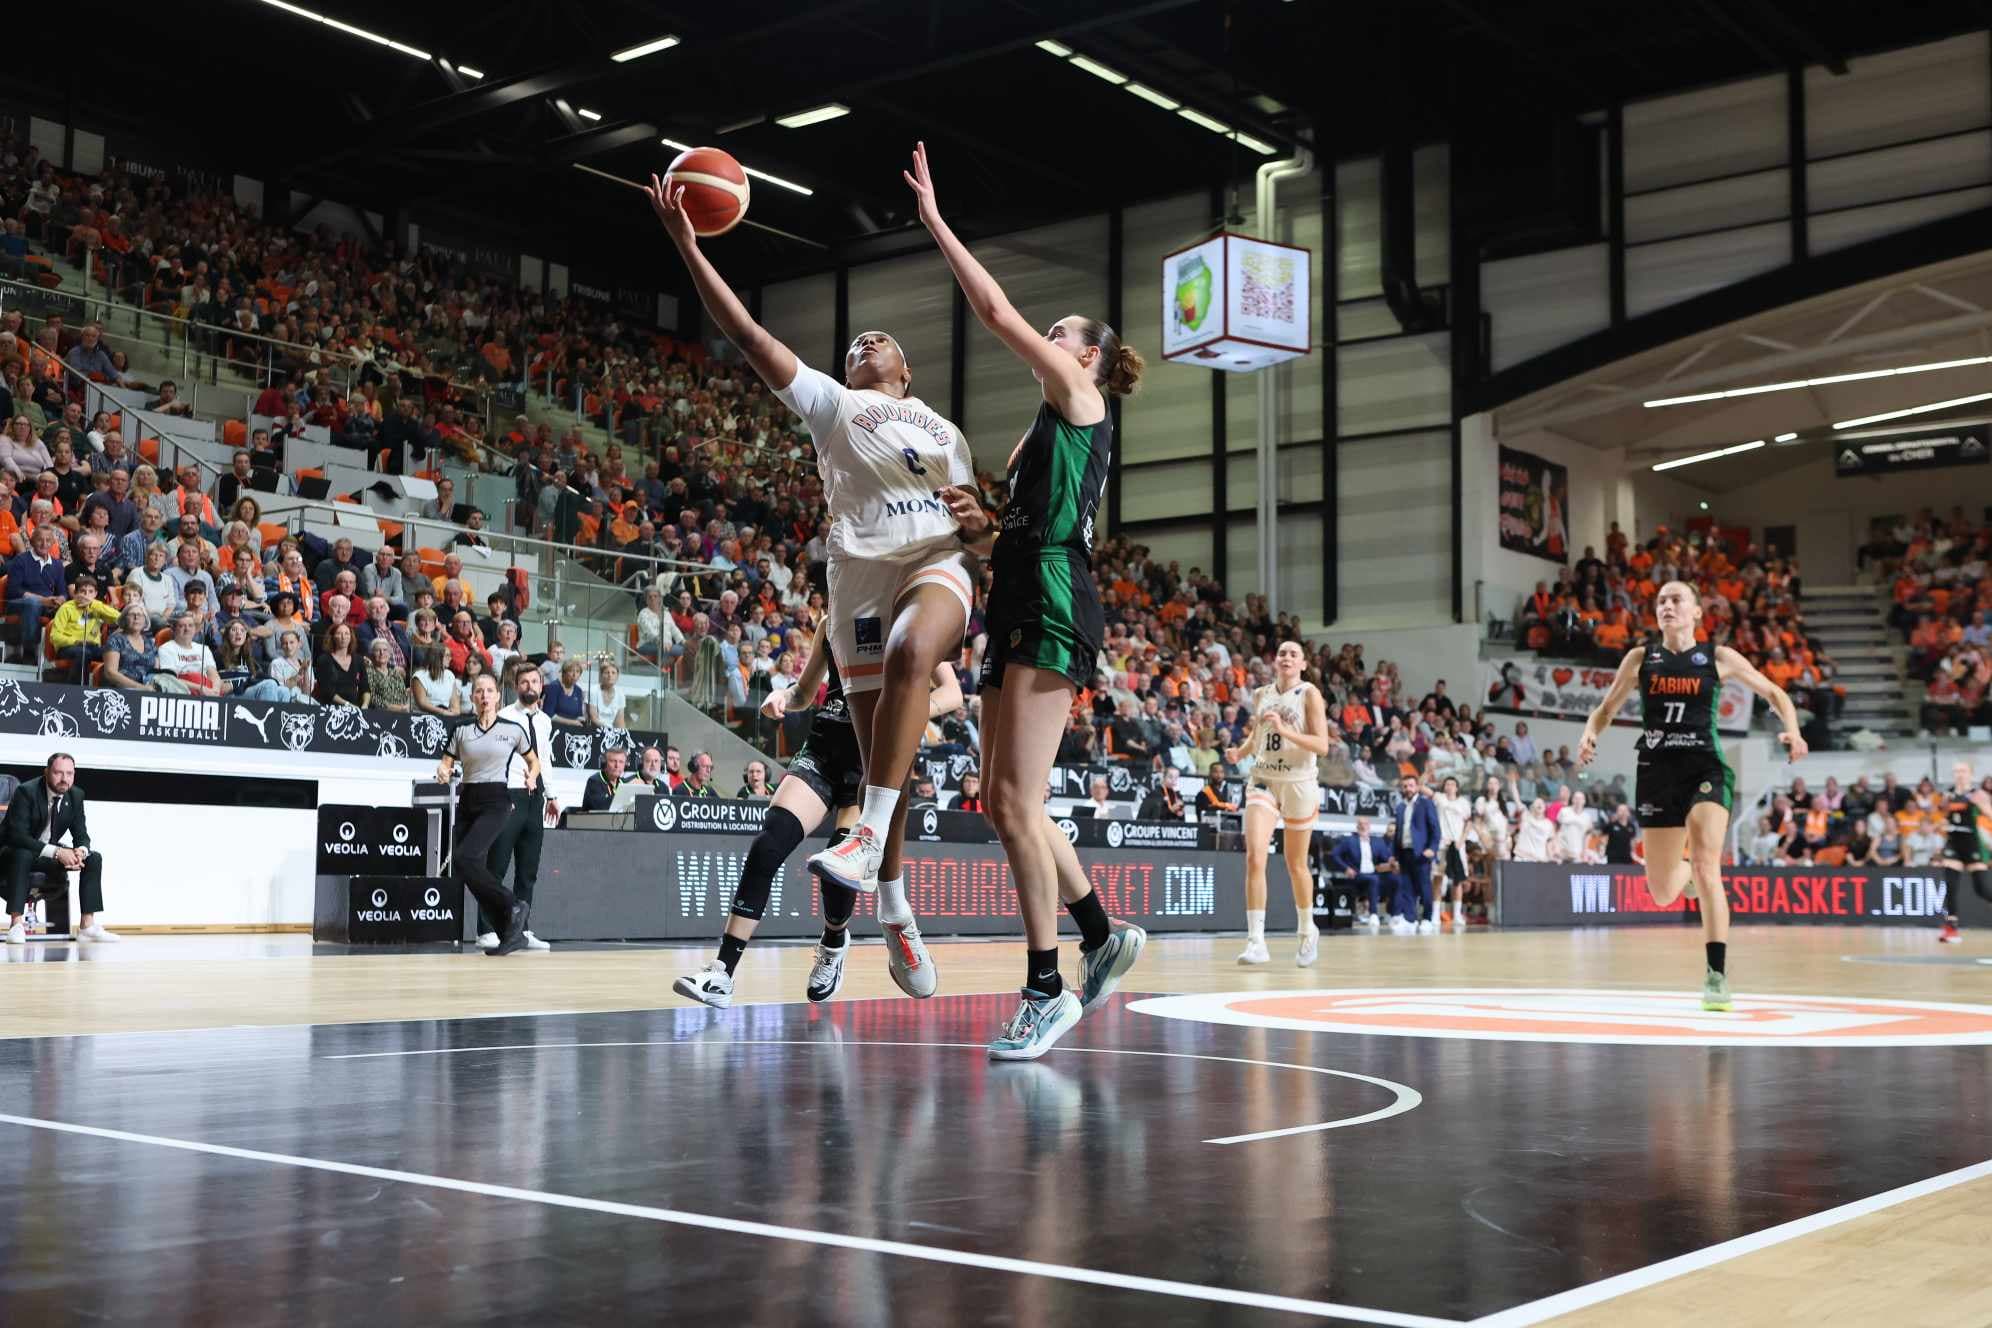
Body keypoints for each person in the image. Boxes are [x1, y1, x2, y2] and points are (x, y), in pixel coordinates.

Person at [644, 172, 976, 970]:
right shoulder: (832, 401)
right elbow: (751, 333)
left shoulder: (944, 429)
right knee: (878, 765)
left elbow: (977, 517)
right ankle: (893, 907)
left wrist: (985, 526)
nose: (863, 343)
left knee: (909, 657)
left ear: (907, 369)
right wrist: (691, 251)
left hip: (932, 564)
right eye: (854, 341)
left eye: (879, 340)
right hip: (856, 580)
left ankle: (866, 862)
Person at [907, 142, 1147, 1058]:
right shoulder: (1040, 428)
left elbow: (993, 307)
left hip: (1050, 592)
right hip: (1018, 583)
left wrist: (936, 221)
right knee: (1005, 798)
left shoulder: (1080, 396)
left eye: (1060, 330)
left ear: (1088, 356)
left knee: (1015, 799)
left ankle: (1049, 984)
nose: (1043, 335)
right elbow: (1008, 529)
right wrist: (979, 524)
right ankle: (1099, 936)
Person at [675, 620, 961, 1010]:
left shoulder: (911, 611)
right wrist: (783, 696)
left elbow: (953, 691)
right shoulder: (833, 619)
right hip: (824, 747)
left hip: (873, 759)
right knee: (768, 843)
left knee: (838, 863)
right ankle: (721, 973)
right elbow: (805, 691)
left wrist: (909, 711)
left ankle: (833, 940)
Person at [1579, 579, 1808, 1011]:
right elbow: (1605, 710)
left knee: (1707, 865)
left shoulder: (1717, 657)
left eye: (1676, 599)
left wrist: (1793, 731)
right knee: (1663, 891)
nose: (1667, 605)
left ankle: (1716, 976)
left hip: (1706, 767)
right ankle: (1686, 877)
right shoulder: (1640, 658)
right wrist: (1590, 732)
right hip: (1656, 771)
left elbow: (1775, 693)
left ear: (1697, 612)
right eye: (1661, 600)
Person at [1220, 640, 1329, 965]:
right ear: (1275, 660)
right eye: (1282, 652)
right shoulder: (1260, 694)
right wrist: (1240, 751)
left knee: (1296, 864)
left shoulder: (1309, 694)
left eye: (1293, 654)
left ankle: (1307, 930)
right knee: (1255, 856)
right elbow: (1260, 735)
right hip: (1264, 779)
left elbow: (1321, 744)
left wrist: (1286, 729)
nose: (1286, 657)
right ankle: (1256, 942)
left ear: (1303, 664)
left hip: (1299, 782)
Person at [434, 672, 540, 958]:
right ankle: (509, 928)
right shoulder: (460, 729)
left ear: (497, 697)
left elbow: (533, 760)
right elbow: (445, 763)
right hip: (468, 799)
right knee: (464, 867)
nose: (484, 696)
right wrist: (443, 772)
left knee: (465, 858)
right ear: (472, 697)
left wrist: (532, 777)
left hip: (496, 801)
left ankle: (512, 905)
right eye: (479, 691)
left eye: (489, 691)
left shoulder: (513, 729)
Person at [478, 661, 557, 952]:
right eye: (524, 682)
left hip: (535, 798)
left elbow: (545, 760)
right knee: (496, 865)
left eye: (534, 682)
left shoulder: (545, 721)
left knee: (528, 869)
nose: (530, 687)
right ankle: (487, 930)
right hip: (508, 795)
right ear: (515, 686)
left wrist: (552, 795)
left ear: (540, 686)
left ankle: (522, 930)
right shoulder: (503, 717)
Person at [3, 753, 115, 944]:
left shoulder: (76, 795)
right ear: (46, 772)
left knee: (94, 858)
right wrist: (57, 852)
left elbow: (82, 834)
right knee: (23, 854)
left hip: (46, 854)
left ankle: (87, 926)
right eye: (58, 773)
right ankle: (16, 924)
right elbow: (18, 837)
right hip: (13, 851)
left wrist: (81, 851)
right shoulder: (26, 792)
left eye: (69, 773)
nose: (64, 779)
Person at [1936, 760, 1992, 944]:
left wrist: (1983, 807)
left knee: (1982, 889)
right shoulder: (1948, 794)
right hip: (1954, 842)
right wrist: (1943, 818)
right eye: (1956, 771)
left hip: (1973, 843)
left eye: (1963, 771)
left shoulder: (1977, 794)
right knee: (1950, 885)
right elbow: (1944, 816)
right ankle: (1951, 928)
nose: (1959, 774)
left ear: (1970, 774)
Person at [1387, 774, 1443, 934]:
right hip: (1404, 852)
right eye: (1405, 786)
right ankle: (1410, 920)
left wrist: (1432, 848)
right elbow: (1398, 832)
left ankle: (1427, 919)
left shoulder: (1426, 804)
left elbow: (1435, 829)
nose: (1408, 789)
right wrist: (1394, 854)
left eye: (1411, 785)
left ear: (1417, 786)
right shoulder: (1400, 807)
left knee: (1424, 887)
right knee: (1406, 887)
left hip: (1421, 853)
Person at [1328, 815, 1399, 932]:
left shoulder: (1377, 842)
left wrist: (1392, 861)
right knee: (1374, 880)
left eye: (1365, 824)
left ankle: (1395, 914)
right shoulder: (1349, 841)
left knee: (1395, 880)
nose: (1363, 826)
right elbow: (1335, 854)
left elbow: (1386, 857)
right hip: (1357, 875)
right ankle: (1374, 914)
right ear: (1357, 826)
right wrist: (1346, 869)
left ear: (1369, 826)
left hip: (1374, 873)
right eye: (1360, 824)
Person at [47, 573, 119, 674]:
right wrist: (76, 641)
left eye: (90, 592)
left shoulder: (97, 607)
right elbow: (55, 636)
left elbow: (120, 618)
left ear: (95, 594)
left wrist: (94, 604)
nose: (86, 595)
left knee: (113, 653)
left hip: (92, 646)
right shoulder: (66, 608)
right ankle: (79, 689)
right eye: (82, 591)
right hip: (69, 647)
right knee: (84, 653)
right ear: (76, 593)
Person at [1432, 774, 1473, 932]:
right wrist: (1429, 773)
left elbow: (1469, 823)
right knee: (1438, 877)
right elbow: (1422, 788)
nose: (1449, 786)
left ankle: (1457, 914)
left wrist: (1461, 840)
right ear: (1444, 787)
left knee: (1458, 880)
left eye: (1452, 784)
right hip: (1442, 844)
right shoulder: (1439, 799)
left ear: (1457, 788)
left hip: (1457, 845)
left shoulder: (1464, 803)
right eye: (1447, 784)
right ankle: (1436, 914)